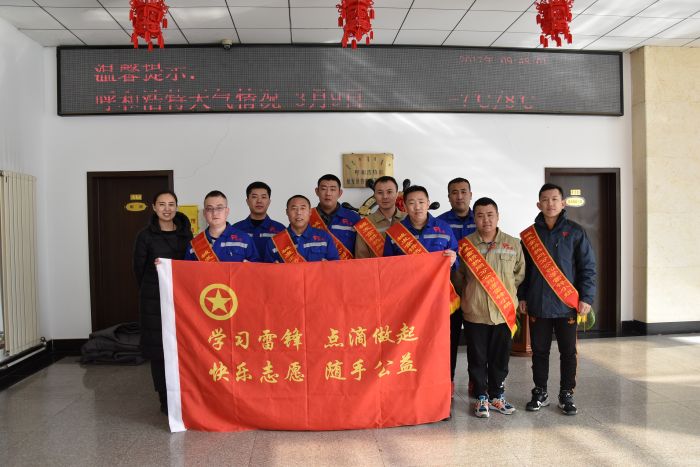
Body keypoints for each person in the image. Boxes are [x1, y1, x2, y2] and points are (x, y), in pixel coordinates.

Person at [518, 183, 596, 416]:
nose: (550, 203)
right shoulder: (530, 236)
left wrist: (587, 297)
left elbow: (587, 267)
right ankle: (540, 392)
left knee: (568, 352)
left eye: (554, 199)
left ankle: (566, 393)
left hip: (566, 305)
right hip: (538, 304)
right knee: (539, 351)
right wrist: (522, 296)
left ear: (563, 203)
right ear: (538, 204)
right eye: (545, 199)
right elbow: (523, 271)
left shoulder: (576, 232)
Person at [455, 197, 525, 418]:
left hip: (503, 312)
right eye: (480, 215)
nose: (486, 220)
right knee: (477, 358)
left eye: (490, 215)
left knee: (500, 358)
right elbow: (459, 278)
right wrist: (472, 295)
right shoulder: (465, 245)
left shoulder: (513, 244)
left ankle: (497, 395)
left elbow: (519, 275)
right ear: (474, 218)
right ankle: (481, 397)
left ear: (497, 216)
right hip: (475, 312)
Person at [133, 190, 192, 414]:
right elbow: (139, 270)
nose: (167, 209)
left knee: (181, 348)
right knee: (159, 350)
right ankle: (164, 398)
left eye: (171, 204)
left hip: (182, 300)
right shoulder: (145, 236)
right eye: (162, 204)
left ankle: (183, 394)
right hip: (154, 300)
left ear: (177, 206)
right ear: (154, 207)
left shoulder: (187, 234)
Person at [438, 177, 476, 398]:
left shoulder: (480, 218)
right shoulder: (439, 224)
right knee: (449, 340)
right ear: (449, 196)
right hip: (449, 292)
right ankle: (447, 381)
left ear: (470, 194)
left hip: (475, 290)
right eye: (454, 192)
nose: (459, 196)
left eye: (463, 191)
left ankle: (476, 380)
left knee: (476, 340)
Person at [185, 190, 259, 262]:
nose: (214, 213)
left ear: (227, 211)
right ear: (204, 213)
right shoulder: (195, 244)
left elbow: (257, 268)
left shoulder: (244, 239)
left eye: (219, 208)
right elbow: (187, 269)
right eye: (209, 209)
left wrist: (250, 267)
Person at [264, 195, 340, 262]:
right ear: (287, 212)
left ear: (310, 212)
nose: (298, 213)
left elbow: (336, 266)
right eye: (294, 208)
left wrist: (328, 266)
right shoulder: (274, 242)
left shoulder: (325, 237)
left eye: (303, 208)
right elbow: (267, 271)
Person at [354, 176, 406, 259]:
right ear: (374, 195)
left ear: (397, 194)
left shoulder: (408, 219)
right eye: (380, 192)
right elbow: (361, 260)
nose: (385, 196)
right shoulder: (365, 224)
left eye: (389, 192)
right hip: (375, 268)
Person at [310, 174, 361, 260]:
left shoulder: (353, 218)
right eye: (323, 189)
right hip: (314, 267)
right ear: (317, 191)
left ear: (340, 193)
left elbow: (360, 251)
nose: (328, 193)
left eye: (333, 189)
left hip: (345, 267)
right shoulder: (307, 217)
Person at [233, 181, 286, 255]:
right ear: (247, 201)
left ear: (269, 201)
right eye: (254, 197)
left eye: (263, 197)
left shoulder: (280, 230)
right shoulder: (236, 229)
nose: (259, 201)